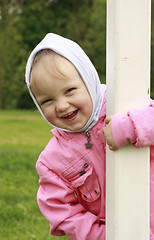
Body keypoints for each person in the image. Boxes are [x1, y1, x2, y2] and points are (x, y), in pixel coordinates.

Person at [25, 33, 154, 240]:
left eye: (69, 90)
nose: (61, 105)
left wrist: (129, 127)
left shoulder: (125, 104)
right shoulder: (52, 161)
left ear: (88, 80)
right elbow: (61, 212)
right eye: (47, 100)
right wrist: (104, 236)